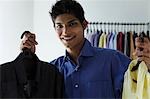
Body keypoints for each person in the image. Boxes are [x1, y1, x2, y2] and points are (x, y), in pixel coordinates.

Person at [20, 0, 150, 98]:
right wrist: (26, 56)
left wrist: (148, 65)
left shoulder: (113, 60)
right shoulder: (52, 69)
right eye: (60, 26)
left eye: (72, 24)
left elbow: (141, 87)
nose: (65, 32)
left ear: (84, 24)